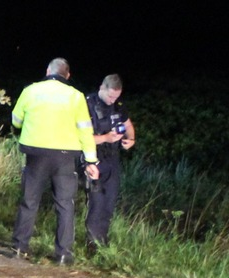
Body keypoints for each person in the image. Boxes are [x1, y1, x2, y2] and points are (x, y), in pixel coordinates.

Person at [9, 58, 99, 265]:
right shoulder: (76, 96)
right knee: (65, 204)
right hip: (65, 157)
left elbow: (16, 120)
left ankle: (19, 248)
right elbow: (85, 131)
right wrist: (91, 161)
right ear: (68, 75)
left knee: (29, 201)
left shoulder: (30, 90)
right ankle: (63, 254)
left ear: (48, 70)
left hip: (36, 154)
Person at [84, 74, 136, 249]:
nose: (113, 100)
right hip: (92, 158)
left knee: (109, 201)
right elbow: (81, 139)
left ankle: (102, 242)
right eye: (110, 96)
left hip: (112, 159)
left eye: (116, 97)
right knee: (96, 202)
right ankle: (92, 243)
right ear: (102, 88)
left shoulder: (118, 106)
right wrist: (106, 138)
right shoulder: (87, 104)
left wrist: (131, 140)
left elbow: (128, 125)